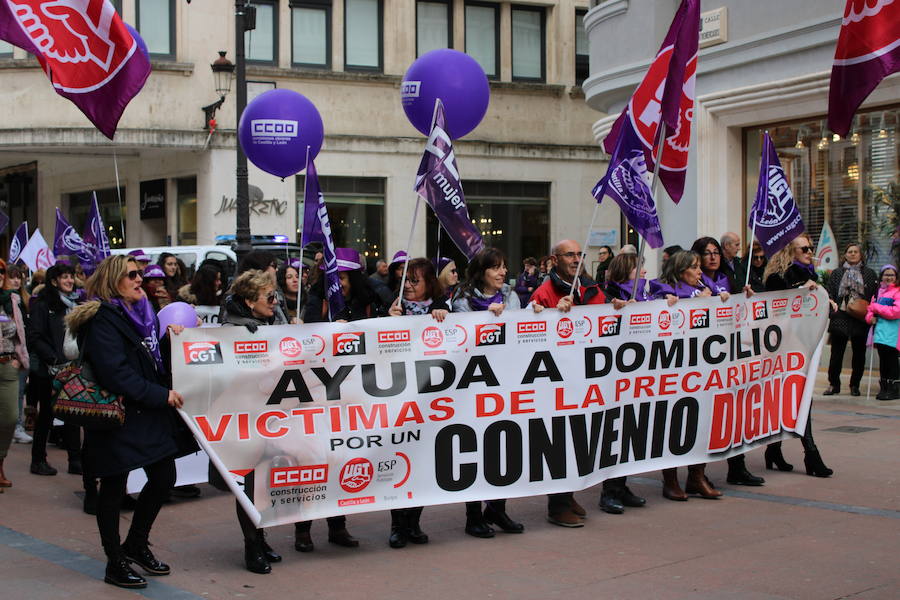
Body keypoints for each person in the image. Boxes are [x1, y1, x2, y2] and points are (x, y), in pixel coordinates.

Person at [65, 255, 193, 589]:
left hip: (144, 413)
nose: (140, 280)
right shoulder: (102, 318)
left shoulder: (142, 314)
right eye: (132, 275)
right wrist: (160, 395)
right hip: (116, 415)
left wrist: (168, 340)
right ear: (113, 281)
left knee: (164, 477)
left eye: (140, 274)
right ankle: (114, 561)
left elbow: (147, 359)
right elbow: (115, 373)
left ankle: (135, 543)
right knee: (113, 488)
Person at [297, 250, 381, 552]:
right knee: (313, 463)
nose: (339, 284)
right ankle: (303, 529)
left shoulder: (366, 302)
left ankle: (337, 526)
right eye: (335, 278)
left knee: (341, 461)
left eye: (344, 278)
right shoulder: (316, 300)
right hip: (318, 396)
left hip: (351, 398)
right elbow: (309, 338)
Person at [530, 239, 604, 526]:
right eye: (569, 255)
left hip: (588, 377)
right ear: (554, 260)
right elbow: (531, 335)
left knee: (581, 440)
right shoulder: (544, 292)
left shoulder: (592, 288)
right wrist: (550, 315)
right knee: (561, 440)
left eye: (579, 255)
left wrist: (622, 308)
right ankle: (557, 505)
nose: (576, 259)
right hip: (558, 381)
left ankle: (569, 493)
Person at [453, 247, 525, 537]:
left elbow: (520, 330)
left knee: (503, 446)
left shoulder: (511, 296)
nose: (503, 272)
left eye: (504, 267)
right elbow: (465, 337)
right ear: (482, 271)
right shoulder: (462, 300)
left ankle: (496, 510)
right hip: (474, 384)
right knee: (474, 449)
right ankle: (473, 516)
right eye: (496, 267)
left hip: (505, 381)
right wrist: (487, 318)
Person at [219, 269, 287, 574]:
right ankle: (251, 547)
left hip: (272, 416)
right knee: (248, 484)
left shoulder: (272, 325)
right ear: (249, 302)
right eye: (269, 297)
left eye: (276, 296)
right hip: (245, 419)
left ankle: (260, 538)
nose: (275, 302)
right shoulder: (231, 332)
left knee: (264, 482)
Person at [385, 258, 449, 548]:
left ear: (429, 283)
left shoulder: (443, 308)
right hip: (399, 400)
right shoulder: (393, 307)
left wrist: (444, 315)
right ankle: (397, 525)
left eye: (415, 280)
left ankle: (413, 523)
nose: (408, 286)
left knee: (423, 462)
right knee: (400, 461)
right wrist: (388, 320)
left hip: (430, 401)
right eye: (405, 280)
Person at [690, 237, 763, 487]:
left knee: (733, 411)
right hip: (702, 357)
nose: (712, 257)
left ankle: (737, 467)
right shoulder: (692, 284)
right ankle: (696, 473)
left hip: (728, 354)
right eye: (707, 253)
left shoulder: (728, 280)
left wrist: (746, 297)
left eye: (716, 252)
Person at [650, 250, 723, 500]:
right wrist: (695, 303)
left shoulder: (706, 289)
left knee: (701, 420)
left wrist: (722, 300)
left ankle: (697, 476)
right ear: (681, 271)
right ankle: (670, 481)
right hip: (673, 369)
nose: (700, 271)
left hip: (701, 367)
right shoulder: (663, 291)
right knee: (672, 423)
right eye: (694, 267)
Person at [763, 234, 835, 477]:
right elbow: (775, 308)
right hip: (782, 348)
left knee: (799, 396)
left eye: (810, 248)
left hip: (804, 346)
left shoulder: (810, 275)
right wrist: (799, 291)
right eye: (804, 248)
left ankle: (774, 450)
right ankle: (811, 454)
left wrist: (827, 302)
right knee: (790, 397)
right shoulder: (778, 277)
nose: (809, 251)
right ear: (789, 251)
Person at [596, 253, 648, 514]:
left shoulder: (645, 296)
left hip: (634, 375)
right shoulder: (608, 297)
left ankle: (621, 485)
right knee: (612, 433)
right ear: (626, 270)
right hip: (612, 377)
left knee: (629, 432)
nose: (644, 272)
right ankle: (609, 492)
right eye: (639, 268)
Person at [27, 263, 84, 478]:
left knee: (73, 414)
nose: (70, 281)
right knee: (46, 415)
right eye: (65, 277)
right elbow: (35, 337)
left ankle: (75, 460)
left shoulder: (77, 304)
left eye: (71, 277)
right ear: (54, 281)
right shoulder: (42, 305)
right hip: (49, 370)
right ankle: (38, 460)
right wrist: (53, 359)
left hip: (73, 368)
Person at [823, 243, 878, 396]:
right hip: (840, 316)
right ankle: (834, 384)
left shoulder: (869, 273)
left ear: (861, 255)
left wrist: (872, 313)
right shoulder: (837, 273)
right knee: (836, 354)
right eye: (850, 252)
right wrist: (832, 311)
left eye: (855, 252)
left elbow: (874, 294)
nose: (853, 254)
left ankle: (855, 385)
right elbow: (829, 292)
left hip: (860, 316)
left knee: (859, 354)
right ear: (845, 255)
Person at [0, 258, 29, 491]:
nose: (0, 276)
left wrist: (19, 359)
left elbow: (19, 333)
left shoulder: (12, 300)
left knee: (10, 417)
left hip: (8, 365)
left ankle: (0, 461)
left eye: (2, 272)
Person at [6, 264, 32, 445]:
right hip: (8, 355)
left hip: (22, 354)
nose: (16, 280)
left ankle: (17, 427)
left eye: (19, 277)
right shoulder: (6, 301)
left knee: (19, 392)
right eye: (12, 277)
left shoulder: (25, 300)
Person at [866, 265, 900, 401]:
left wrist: (876, 307)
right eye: (886, 274)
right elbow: (870, 309)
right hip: (879, 333)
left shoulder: (898, 292)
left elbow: (896, 312)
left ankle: (894, 389)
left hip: (893, 334)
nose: (889, 277)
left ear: (896, 277)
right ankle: (884, 387)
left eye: (892, 275)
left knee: (892, 361)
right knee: (883, 361)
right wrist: (870, 317)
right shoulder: (878, 292)